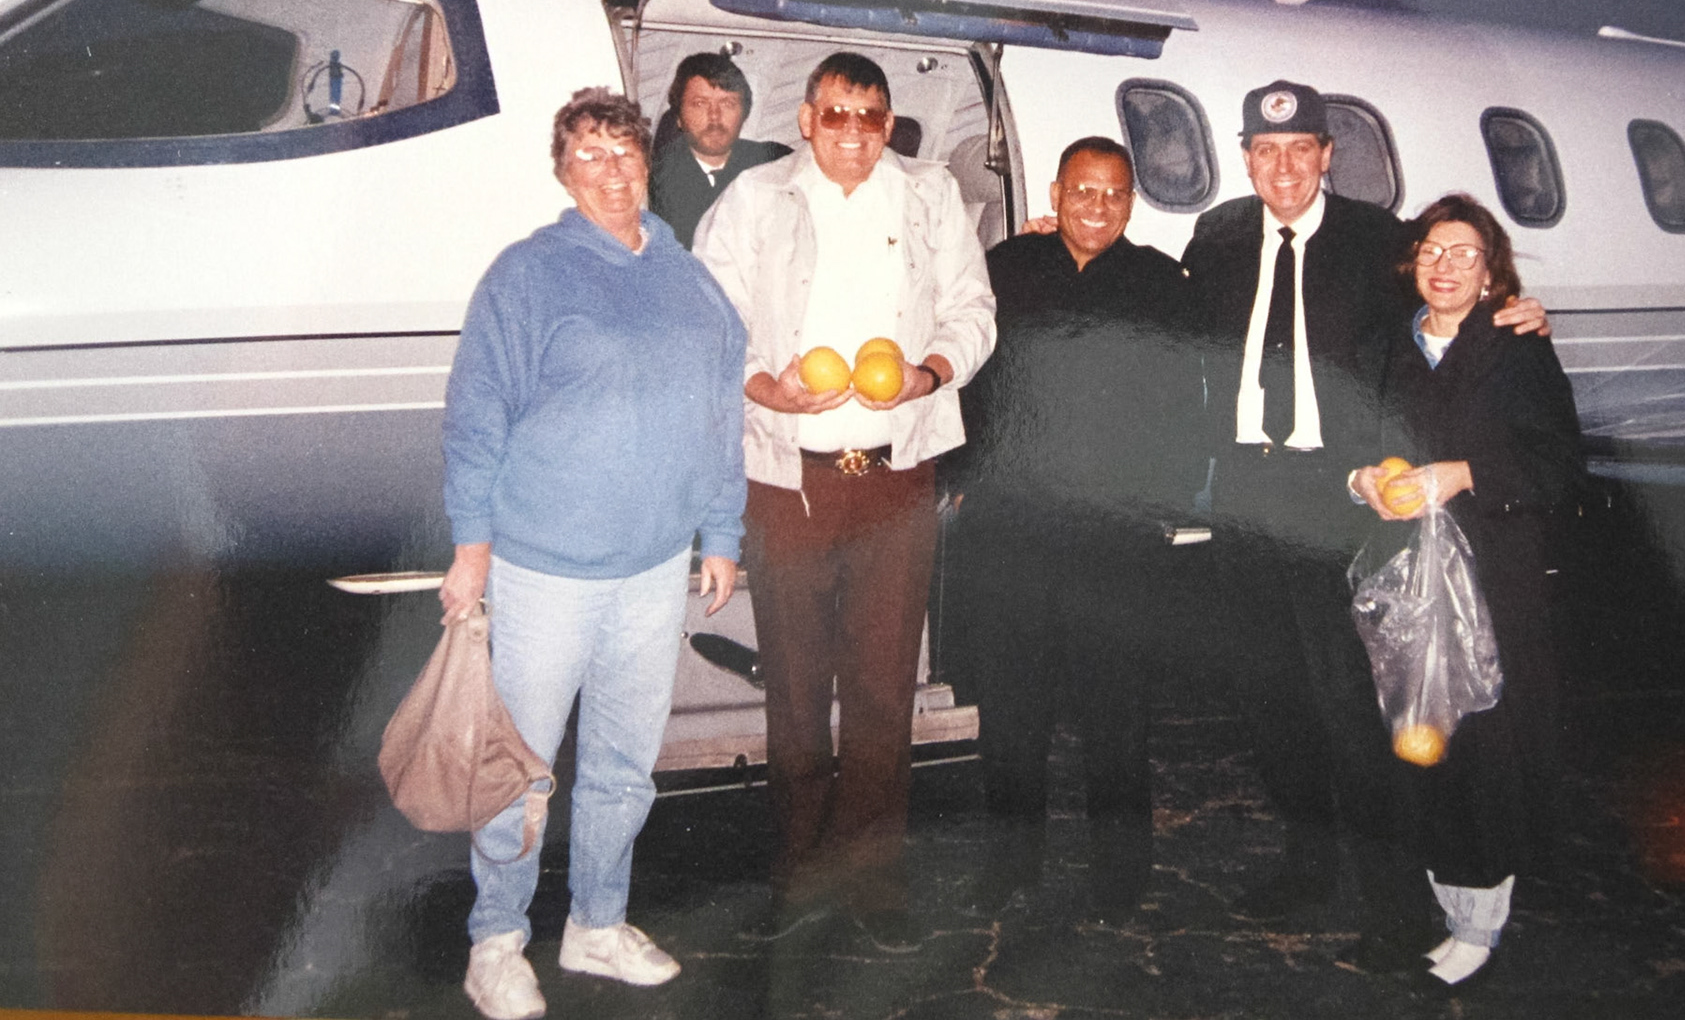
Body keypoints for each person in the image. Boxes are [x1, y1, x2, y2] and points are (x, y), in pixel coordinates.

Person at [1180, 79, 1546, 964]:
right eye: (1266, 152)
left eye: (1301, 149)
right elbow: (1166, 309)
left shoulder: (1380, 243)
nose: (1284, 167)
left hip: (1338, 496)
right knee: (1271, 700)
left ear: (1328, 155)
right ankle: (1307, 862)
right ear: (1246, 158)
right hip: (1243, 494)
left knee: (1353, 705)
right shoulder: (1219, 237)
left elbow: (1445, 306)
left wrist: (1513, 314)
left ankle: (1394, 903)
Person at [437, 87, 747, 1020]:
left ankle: (597, 925)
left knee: (623, 763)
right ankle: (495, 941)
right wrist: (471, 550)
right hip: (544, 572)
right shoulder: (528, 274)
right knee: (520, 766)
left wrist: (720, 534)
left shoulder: (685, 273)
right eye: (591, 156)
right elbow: (475, 418)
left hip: (653, 568)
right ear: (563, 173)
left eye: (625, 153)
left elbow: (719, 413)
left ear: (647, 160)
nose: (612, 172)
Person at [695, 50, 995, 952]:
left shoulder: (930, 195)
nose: (855, 135)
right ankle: (798, 873)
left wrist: (929, 373)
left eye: (872, 118)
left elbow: (973, 312)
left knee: (881, 687)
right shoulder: (755, 199)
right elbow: (712, 314)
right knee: (794, 689)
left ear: (890, 122)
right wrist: (763, 388)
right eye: (837, 116)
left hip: (894, 475)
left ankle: (873, 875)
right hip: (791, 480)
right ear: (807, 121)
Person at [949, 137, 1204, 921]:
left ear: (1132, 202)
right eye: (1083, 191)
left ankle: (1121, 875)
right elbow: (968, 379)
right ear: (1056, 193)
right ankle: (1010, 865)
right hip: (1014, 528)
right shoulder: (1005, 269)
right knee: (1012, 712)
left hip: (1113, 535)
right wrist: (960, 478)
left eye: (1114, 195)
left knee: (1117, 713)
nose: (1097, 207)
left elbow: (1185, 402)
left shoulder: (1164, 285)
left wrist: (1167, 501)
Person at [1351, 194, 1583, 988]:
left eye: (1463, 253)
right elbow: (1362, 441)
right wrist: (1364, 481)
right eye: (1431, 251)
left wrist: (1467, 476)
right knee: (1422, 744)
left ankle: (1480, 925)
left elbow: (1559, 467)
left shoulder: (1517, 348)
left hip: (1492, 583)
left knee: (1485, 750)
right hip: (1408, 583)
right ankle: (1450, 907)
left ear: (1492, 274)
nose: (1443, 266)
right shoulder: (1394, 343)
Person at [647, 52, 791, 248]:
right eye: (700, 103)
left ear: (744, 114)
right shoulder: (651, 180)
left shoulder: (776, 163)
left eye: (727, 103)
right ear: (678, 117)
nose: (714, 116)